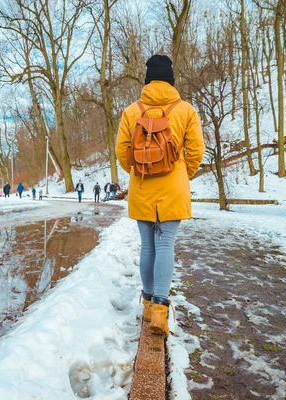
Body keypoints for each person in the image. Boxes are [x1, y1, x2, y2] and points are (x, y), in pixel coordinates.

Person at [115, 54, 205, 336]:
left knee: (147, 246)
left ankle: (146, 305)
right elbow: (197, 151)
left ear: (147, 80)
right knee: (166, 245)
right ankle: (160, 313)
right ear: (171, 79)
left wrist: (137, 170)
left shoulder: (132, 111)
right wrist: (182, 173)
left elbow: (121, 152)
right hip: (173, 188)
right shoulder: (186, 109)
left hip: (141, 187)